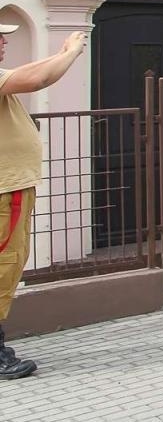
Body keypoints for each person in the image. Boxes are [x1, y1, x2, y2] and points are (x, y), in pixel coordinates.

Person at [0, 24, 88, 379]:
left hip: (11, 188)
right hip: (6, 190)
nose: (4, 41)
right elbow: (35, 79)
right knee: (4, 265)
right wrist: (69, 52)